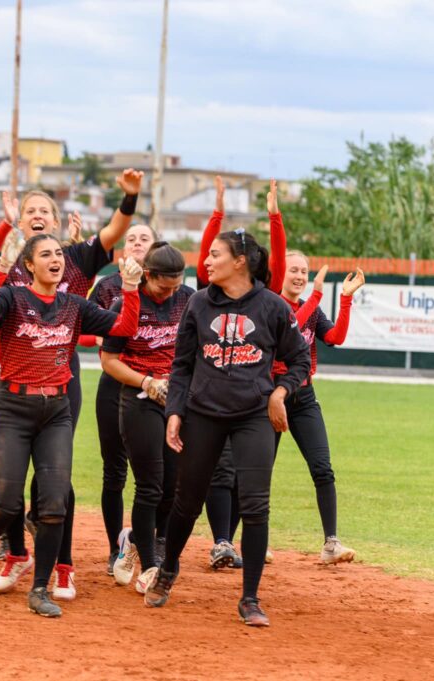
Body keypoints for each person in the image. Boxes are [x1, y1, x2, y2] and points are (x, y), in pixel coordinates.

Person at [0, 170, 143, 601]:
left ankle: (44, 586)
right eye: (29, 211)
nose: (54, 258)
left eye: (43, 211)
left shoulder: (74, 292)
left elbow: (123, 326)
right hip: (14, 401)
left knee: (53, 501)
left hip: (58, 399)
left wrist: (130, 285)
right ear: (27, 262)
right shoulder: (10, 284)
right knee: (7, 502)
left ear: (56, 221)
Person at [145, 228, 311, 628]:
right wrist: (174, 411)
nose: (206, 260)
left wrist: (279, 393)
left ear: (240, 261)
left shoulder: (272, 307)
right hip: (204, 413)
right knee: (188, 500)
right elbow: (181, 365)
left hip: (254, 414)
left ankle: (250, 597)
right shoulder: (199, 304)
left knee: (256, 506)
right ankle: (168, 568)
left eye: (215, 254)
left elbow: (300, 360)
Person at [199, 177, 287, 570]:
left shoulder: (270, 300)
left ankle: (231, 540)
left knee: (250, 478)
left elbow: (278, 263)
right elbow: (207, 255)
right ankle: (220, 541)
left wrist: (275, 218)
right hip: (217, 395)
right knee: (220, 470)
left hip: (264, 396)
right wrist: (217, 212)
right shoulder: (210, 296)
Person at [100, 243, 193, 594]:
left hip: (176, 399)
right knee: (151, 485)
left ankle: (135, 543)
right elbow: (109, 360)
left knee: (173, 486)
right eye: (162, 286)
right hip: (139, 398)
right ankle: (151, 565)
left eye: (175, 286)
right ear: (148, 276)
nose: (170, 293)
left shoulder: (187, 299)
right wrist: (146, 381)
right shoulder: (126, 303)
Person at [275, 253, 366, 563]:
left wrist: (345, 298)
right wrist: (315, 293)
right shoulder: (272, 305)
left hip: (304, 399)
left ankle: (331, 543)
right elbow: (290, 327)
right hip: (272, 398)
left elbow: (335, 337)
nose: (300, 276)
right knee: (256, 472)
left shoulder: (311, 309)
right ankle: (233, 542)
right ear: (280, 273)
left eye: (304, 271)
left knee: (323, 468)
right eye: (294, 270)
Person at [92, 223, 159, 574]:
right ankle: (113, 546)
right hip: (115, 383)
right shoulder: (107, 287)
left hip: (155, 388)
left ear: (155, 246)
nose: (135, 243)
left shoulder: (172, 293)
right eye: (130, 238)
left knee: (154, 473)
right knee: (114, 470)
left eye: (143, 238)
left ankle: (147, 542)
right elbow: (88, 331)